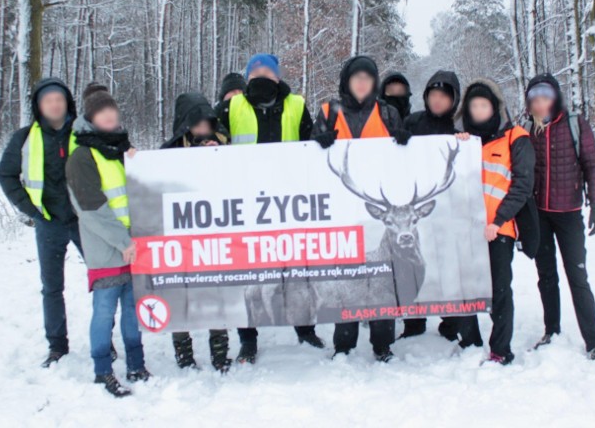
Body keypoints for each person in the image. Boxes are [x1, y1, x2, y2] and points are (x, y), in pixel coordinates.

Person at [218, 53, 323, 363]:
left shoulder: (297, 104)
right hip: (246, 204)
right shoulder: (232, 105)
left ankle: (305, 329)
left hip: (288, 203)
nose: (262, 73)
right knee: (248, 275)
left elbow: (313, 142)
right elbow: (206, 135)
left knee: (296, 271)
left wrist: (324, 140)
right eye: (256, 69)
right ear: (248, 77)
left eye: (268, 69)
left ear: (278, 76)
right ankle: (247, 339)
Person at [311, 55, 411, 362]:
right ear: (346, 81)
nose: (363, 82)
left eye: (369, 77)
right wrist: (318, 139)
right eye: (357, 77)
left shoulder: (387, 111)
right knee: (349, 276)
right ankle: (344, 344)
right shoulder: (329, 111)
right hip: (343, 207)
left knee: (382, 277)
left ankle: (383, 343)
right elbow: (308, 153)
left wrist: (406, 141)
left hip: (379, 208)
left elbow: (404, 161)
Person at [66, 85, 150, 397]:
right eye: (103, 112)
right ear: (90, 118)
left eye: (113, 111)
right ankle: (102, 370)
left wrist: (137, 161)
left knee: (132, 308)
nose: (110, 116)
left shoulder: (120, 151)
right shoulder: (82, 157)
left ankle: (136, 364)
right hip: (107, 247)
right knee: (104, 310)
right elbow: (91, 209)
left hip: (133, 244)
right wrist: (122, 241)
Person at [0, 78, 87, 368]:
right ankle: (57, 346)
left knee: (105, 282)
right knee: (52, 288)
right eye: (48, 100)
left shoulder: (84, 133)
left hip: (85, 221)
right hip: (48, 222)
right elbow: (5, 175)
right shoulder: (24, 137)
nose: (54, 104)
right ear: (38, 105)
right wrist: (30, 210)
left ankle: (104, 341)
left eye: (59, 98)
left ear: (67, 102)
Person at [524, 73, 595, 360]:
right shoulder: (528, 129)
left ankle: (593, 340)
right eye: (534, 98)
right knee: (546, 275)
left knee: (577, 276)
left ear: (555, 98)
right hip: (539, 216)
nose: (540, 103)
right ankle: (552, 330)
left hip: (569, 214)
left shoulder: (574, 124)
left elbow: (592, 164)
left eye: (545, 97)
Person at [456, 79, 535, 365]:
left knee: (499, 290)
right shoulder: (462, 141)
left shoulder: (516, 137)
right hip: (467, 230)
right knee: (465, 288)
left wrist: (498, 220)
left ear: (494, 107)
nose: (479, 111)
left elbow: (522, 185)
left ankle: (501, 348)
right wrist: (457, 144)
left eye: (484, 105)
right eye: (473, 106)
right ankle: (469, 341)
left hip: (499, 229)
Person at [161, 91, 232, 372]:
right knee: (180, 294)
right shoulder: (168, 153)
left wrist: (217, 155)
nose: (203, 128)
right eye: (197, 123)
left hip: (215, 233)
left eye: (207, 122)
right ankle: (184, 353)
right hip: (180, 235)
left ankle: (219, 351)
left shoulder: (226, 147)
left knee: (216, 293)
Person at [397, 70, 464, 341]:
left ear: (453, 101)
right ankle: (414, 322)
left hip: (446, 207)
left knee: (447, 261)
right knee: (412, 263)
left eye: (444, 97)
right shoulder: (412, 121)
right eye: (433, 95)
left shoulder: (458, 130)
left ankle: (450, 322)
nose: (437, 101)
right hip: (413, 205)